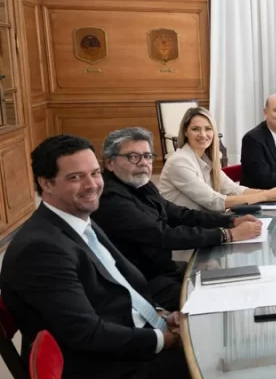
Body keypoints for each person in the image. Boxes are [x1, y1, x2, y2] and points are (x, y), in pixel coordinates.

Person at [0, 135, 202, 379]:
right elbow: (86, 334)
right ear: (46, 183)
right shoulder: (41, 249)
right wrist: (165, 339)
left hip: (116, 343)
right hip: (98, 373)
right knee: (211, 371)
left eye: (95, 173)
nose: (92, 185)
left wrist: (160, 315)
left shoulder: (76, 218)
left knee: (207, 349)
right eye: (75, 177)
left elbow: (120, 288)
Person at [92, 128, 263, 302]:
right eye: (133, 157)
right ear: (110, 162)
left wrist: (230, 220)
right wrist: (227, 235)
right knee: (222, 299)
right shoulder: (109, 198)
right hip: (141, 286)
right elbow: (163, 235)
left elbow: (180, 214)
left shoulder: (141, 185)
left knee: (240, 282)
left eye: (147, 156)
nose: (143, 163)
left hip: (164, 270)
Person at [158, 106, 276, 212]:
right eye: (195, 129)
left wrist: (272, 193)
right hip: (185, 232)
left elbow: (233, 189)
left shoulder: (206, 159)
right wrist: (266, 196)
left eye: (208, 129)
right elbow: (214, 202)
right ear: (185, 132)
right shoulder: (179, 162)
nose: (203, 135)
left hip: (204, 223)